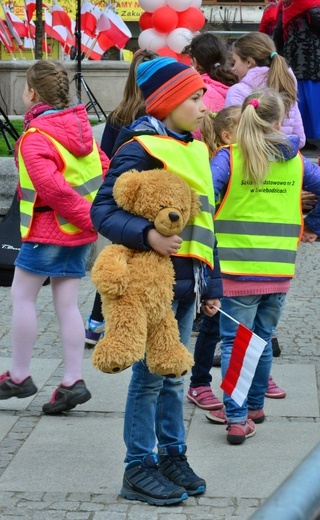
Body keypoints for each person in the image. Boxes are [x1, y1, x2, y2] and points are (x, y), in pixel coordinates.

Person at [91, 57, 222, 506]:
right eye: (195, 97)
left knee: (173, 375)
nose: (204, 106)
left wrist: (213, 286)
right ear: (167, 102)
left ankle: (172, 455)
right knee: (148, 380)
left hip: (188, 285)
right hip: (153, 288)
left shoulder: (194, 149)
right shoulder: (140, 148)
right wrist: (147, 234)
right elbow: (103, 211)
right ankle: (138, 466)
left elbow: (205, 227)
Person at [205, 88, 320, 444]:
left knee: (236, 342)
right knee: (262, 339)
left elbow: (205, 195)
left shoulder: (230, 158)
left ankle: (235, 418)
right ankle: (253, 407)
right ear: (280, 121)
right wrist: (314, 226)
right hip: (280, 267)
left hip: (236, 267)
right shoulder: (294, 160)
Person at [0, 60, 109, 413]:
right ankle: (72, 381)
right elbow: (104, 167)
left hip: (48, 232)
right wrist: (93, 219)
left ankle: (18, 375)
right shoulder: (80, 128)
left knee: (23, 297)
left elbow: (52, 188)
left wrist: (87, 217)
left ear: (31, 92)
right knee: (66, 304)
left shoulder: (36, 137)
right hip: (78, 235)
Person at [187, 107, 286, 412]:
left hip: (249, 263)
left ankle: (247, 396)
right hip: (230, 260)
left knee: (246, 337)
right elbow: (208, 199)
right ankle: (202, 383)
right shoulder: (226, 160)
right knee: (219, 329)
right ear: (228, 135)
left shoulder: (253, 159)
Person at [85, 49, 159, 347]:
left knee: (119, 258)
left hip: (122, 198)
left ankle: (95, 322)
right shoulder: (157, 116)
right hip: (152, 198)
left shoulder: (118, 115)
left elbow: (105, 160)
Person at [225, 31, 306, 150]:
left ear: (249, 62)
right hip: (283, 160)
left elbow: (234, 136)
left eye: (235, 61)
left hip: (251, 163)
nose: (233, 68)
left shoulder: (237, 91)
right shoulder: (286, 86)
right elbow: (300, 139)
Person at [273, 0, 320, 142]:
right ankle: (311, 133)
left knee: (298, 95)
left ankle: (302, 135)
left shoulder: (286, 3)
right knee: (311, 94)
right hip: (312, 56)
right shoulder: (310, 1)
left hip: (294, 56)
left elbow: (278, 31)